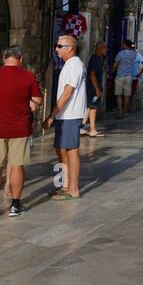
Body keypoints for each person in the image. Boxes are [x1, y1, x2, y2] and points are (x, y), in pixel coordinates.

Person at [0, 46, 42, 218]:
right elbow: (37, 100)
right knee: (16, 166)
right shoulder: (27, 76)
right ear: (20, 58)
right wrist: (31, 103)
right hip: (19, 128)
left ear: (4, 58)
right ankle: (15, 205)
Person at [43, 35, 86, 199]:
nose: (56, 49)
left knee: (71, 150)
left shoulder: (74, 64)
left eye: (60, 46)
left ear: (70, 48)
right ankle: (65, 184)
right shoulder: (69, 65)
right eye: (57, 45)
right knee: (61, 149)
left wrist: (52, 114)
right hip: (65, 115)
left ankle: (72, 188)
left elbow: (68, 91)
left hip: (70, 114)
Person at [84, 41, 106, 137]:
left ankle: (82, 126)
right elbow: (92, 74)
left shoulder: (97, 59)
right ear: (100, 48)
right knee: (93, 107)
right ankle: (92, 129)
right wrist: (97, 88)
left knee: (89, 107)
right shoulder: (96, 59)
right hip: (93, 88)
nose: (106, 50)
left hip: (91, 87)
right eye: (105, 48)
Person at [112, 40, 138, 119]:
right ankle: (124, 112)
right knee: (127, 96)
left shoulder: (120, 53)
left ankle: (120, 112)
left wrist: (111, 72)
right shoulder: (134, 54)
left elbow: (115, 65)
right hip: (129, 77)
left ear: (125, 45)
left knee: (119, 95)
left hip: (120, 76)